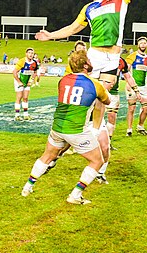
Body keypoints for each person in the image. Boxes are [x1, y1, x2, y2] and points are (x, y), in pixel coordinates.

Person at [35, 0, 147, 132]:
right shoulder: (89, 8)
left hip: (113, 58)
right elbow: (72, 28)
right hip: (95, 55)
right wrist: (51, 35)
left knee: (103, 97)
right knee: (88, 94)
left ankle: (95, 131)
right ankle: (77, 128)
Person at [21, 49, 110, 205]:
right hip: (76, 130)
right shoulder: (95, 84)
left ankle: (27, 187)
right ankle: (75, 195)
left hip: (57, 127)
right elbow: (107, 101)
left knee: (46, 157)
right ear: (86, 64)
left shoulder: (62, 80)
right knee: (97, 161)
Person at [125, 37, 147, 136]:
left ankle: (140, 126)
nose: (143, 45)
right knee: (132, 108)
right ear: (138, 45)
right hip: (133, 86)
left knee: (146, 108)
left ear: (146, 45)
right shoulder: (132, 56)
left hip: (143, 87)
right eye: (141, 43)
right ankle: (129, 129)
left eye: (144, 43)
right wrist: (128, 84)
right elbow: (126, 71)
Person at [13, 47, 40, 121]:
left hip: (27, 81)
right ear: (26, 54)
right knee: (19, 97)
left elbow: (35, 72)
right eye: (29, 53)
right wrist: (19, 82)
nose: (31, 54)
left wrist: (31, 80)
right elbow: (14, 72)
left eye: (32, 53)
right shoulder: (22, 61)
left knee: (25, 98)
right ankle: (17, 115)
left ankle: (25, 115)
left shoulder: (34, 63)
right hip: (19, 81)